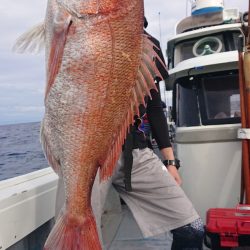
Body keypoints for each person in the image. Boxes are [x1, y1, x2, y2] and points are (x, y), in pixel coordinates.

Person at [100, 18, 204, 249]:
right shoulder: (85, 35)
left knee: (192, 229)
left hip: (135, 153)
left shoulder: (149, 45)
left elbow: (154, 105)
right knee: (77, 238)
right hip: (90, 157)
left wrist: (170, 161)